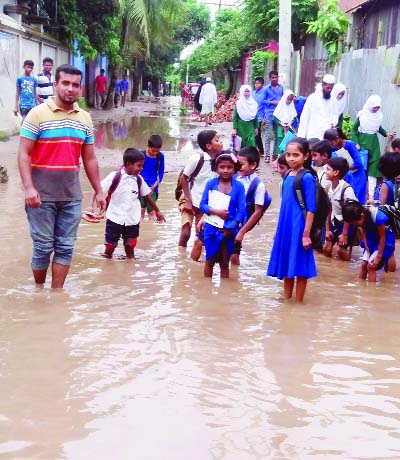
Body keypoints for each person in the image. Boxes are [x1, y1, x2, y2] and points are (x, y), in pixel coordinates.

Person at [18, 64, 106, 288]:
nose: (70, 89)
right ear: (55, 85)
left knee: (66, 247)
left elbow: (90, 158)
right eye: (65, 83)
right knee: (43, 247)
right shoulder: (37, 114)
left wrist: (98, 190)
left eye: (75, 85)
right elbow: (23, 153)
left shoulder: (85, 118)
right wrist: (29, 188)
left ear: (80, 89)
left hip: (71, 196)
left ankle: (56, 295)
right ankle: (39, 290)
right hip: (40, 197)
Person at [88, 148, 165, 259]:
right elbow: (96, 189)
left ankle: (130, 269)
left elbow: (147, 195)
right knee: (110, 247)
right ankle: (108, 262)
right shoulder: (115, 176)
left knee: (130, 246)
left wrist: (157, 211)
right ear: (128, 164)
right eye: (139, 166)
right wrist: (90, 206)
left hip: (132, 219)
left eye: (142, 166)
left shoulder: (139, 179)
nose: (141, 168)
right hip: (114, 218)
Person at [267, 137, 317, 303]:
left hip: (300, 227)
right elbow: (285, 205)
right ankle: (287, 301)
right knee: (288, 265)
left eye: (296, 155)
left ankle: (299, 303)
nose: (291, 158)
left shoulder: (307, 177)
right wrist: (277, 231)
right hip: (286, 226)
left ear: (306, 156)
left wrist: (306, 234)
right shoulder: (288, 174)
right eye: (288, 155)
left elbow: (311, 208)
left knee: (300, 268)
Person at [199, 152, 245, 278]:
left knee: (225, 263)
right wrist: (216, 212)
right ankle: (207, 293)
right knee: (210, 261)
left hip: (230, 229)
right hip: (211, 228)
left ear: (234, 168)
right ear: (216, 168)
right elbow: (202, 205)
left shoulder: (239, 187)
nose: (225, 170)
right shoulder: (211, 184)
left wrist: (232, 226)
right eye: (222, 167)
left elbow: (241, 210)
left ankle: (225, 294)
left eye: (229, 167)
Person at [178, 130, 223, 250]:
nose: (221, 142)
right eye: (217, 140)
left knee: (201, 236)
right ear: (208, 146)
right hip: (190, 199)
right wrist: (187, 200)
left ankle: (195, 258)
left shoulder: (221, 162)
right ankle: (181, 257)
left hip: (205, 205)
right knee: (186, 232)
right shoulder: (197, 159)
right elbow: (184, 177)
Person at [351, 95, 397, 201]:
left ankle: (371, 195)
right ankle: (359, 193)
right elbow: (354, 131)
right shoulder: (362, 115)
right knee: (362, 168)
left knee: (373, 169)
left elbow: (378, 127)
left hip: (374, 144)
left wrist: (386, 134)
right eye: (374, 107)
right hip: (362, 143)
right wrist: (356, 143)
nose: (376, 109)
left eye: (378, 107)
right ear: (370, 105)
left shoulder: (378, 116)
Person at [342, 200, 395, 282]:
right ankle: (361, 291)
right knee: (364, 265)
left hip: (384, 241)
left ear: (362, 216)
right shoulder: (360, 213)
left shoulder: (378, 218)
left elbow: (382, 237)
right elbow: (363, 229)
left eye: (355, 223)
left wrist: (378, 257)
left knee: (371, 267)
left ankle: (371, 293)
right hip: (371, 239)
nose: (355, 225)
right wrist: (366, 247)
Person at [232, 146, 267, 265]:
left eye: (241, 164)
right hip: (222, 219)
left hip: (237, 225)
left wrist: (242, 232)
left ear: (253, 165)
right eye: (236, 163)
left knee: (234, 255)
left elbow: (258, 211)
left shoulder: (258, 185)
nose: (237, 167)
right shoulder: (233, 177)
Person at [369, 152, 400, 271]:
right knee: (391, 250)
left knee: (385, 250)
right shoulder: (396, 184)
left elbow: (381, 205)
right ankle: (391, 278)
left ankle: (388, 273)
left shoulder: (385, 185)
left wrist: (372, 201)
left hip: (384, 224)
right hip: (392, 223)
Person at [323, 157, 358, 261]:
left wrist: (344, 234)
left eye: (328, 169)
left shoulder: (347, 190)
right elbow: (328, 209)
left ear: (336, 172)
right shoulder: (328, 188)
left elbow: (350, 214)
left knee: (340, 250)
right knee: (326, 248)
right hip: (334, 222)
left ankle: (348, 269)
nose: (325, 171)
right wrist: (327, 230)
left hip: (347, 224)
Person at [324, 128, 367, 204]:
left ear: (337, 139)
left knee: (358, 199)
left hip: (358, 175)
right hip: (347, 175)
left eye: (331, 143)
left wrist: (343, 167)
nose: (331, 145)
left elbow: (358, 163)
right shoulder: (334, 149)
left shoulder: (349, 144)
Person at [297, 74, 337, 140]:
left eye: (331, 88)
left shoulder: (333, 100)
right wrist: (301, 136)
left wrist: (333, 124)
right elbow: (305, 117)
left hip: (326, 137)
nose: (329, 90)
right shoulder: (312, 98)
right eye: (328, 88)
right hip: (313, 135)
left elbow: (335, 115)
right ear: (323, 85)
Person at [140, 135, 165, 220]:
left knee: (151, 212)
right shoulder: (141, 155)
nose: (155, 153)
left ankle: (152, 231)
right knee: (140, 211)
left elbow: (161, 172)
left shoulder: (160, 156)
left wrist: (155, 186)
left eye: (157, 151)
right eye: (153, 151)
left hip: (153, 187)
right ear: (148, 146)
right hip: (140, 186)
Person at [263, 70, 284, 162]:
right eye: (273, 77)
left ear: (278, 77)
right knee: (267, 135)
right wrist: (272, 102)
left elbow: (284, 99)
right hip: (269, 114)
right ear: (270, 78)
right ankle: (267, 155)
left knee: (277, 135)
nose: (274, 79)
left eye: (276, 77)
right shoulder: (266, 89)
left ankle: (275, 155)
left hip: (278, 115)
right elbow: (263, 101)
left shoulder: (281, 88)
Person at [252, 77, 267, 156]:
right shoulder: (253, 93)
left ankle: (261, 150)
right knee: (252, 134)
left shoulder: (264, 93)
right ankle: (255, 150)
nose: (257, 85)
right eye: (256, 83)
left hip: (260, 117)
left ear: (262, 84)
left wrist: (265, 117)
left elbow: (265, 105)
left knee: (257, 134)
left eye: (258, 83)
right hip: (252, 116)